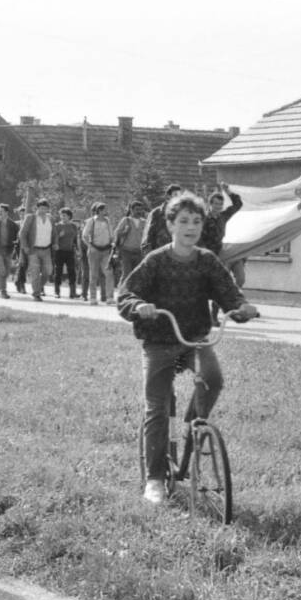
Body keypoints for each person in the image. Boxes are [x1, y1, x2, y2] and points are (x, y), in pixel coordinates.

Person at [116, 191, 257, 505]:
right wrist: (139, 306)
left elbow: (228, 291)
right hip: (159, 342)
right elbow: (125, 294)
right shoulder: (156, 260)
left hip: (193, 339)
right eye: (183, 221)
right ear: (170, 226)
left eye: (196, 221)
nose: (190, 227)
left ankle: (192, 428)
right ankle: (154, 479)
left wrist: (241, 306)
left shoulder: (207, 260)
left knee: (213, 378)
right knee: (156, 408)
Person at [198, 183, 245, 323]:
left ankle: (217, 312)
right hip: (207, 255)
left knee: (231, 281)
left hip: (221, 254)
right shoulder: (203, 219)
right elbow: (199, 239)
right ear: (210, 204)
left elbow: (238, 204)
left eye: (220, 204)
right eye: (216, 204)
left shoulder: (223, 217)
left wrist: (228, 191)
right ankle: (207, 315)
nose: (218, 206)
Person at [19, 199, 55, 301]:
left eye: (45, 208)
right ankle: (36, 294)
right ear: (37, 207)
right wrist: (25, 246)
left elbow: (54, 233)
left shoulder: (50, 219)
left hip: (46, 249)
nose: (43, 210)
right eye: (41, 208)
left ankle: (37, 288)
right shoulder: (30, 218)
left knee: (48, 271)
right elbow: (22, 233)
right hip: (33, 250)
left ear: (48, 209)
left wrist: (55, 243)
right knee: (35, 272)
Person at [81, 201, 116, 305]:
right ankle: (93, 298)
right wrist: (90, 246)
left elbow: (112, 235)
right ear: (99, 210)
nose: (106, 211)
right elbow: (84, 235)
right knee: (93, 274)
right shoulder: (91, 221)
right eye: (104, 209)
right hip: (94, 250)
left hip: (106, 250)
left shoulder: (107, 221)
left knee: (109, 273)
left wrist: (113, 243)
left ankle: (110, 297)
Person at [140, 184, 183, 255]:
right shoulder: (157, 213)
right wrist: (149, 257)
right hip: (160, 255)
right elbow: (147, 238)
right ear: (168, 196)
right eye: (175, 194)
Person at [113, 200, 147, 285]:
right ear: (131, 210)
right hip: (126, 251)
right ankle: (122, 292)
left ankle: (133, 293)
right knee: (126, 273)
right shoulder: (126, 220)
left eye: (140, 209)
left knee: (137, 274)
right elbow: (117, 234)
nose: (139, 211)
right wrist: (124, 232)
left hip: (139, 252)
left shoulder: (144, 222)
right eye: (137, 209)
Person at [51, 208, 79, 299]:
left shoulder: (73, 226)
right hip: (59, 251)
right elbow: (53, 239)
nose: (62, 217)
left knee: (72, 272)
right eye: (61, 215)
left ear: (69, 216)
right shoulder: (57, 226)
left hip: (70, 251)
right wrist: (59, 236)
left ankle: (72, 292)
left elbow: (75, 239)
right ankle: (57, 292)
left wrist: (78, 250)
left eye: (64, 215)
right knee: (58, 271)